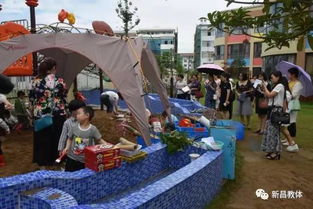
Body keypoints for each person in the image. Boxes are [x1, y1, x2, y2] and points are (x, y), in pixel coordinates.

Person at [62, 106, 137, 171]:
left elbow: (100, 140)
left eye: (78, 114)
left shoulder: (92, 129)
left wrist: (109, 146)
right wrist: (66, 147)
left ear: (87, 115)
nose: (76, 115)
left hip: (85, 159)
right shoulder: (74, 127)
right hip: (72, 158)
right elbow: (69, 138)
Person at [29, 57, 68, 168]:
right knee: (58, 138)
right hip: (57, 113)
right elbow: (64, 97)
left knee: (42, 139)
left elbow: (31, 98)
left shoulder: (35, 80)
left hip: (41, 114)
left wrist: (34, 112)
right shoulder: (59, 81)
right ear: (53, 68)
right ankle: (58, 161)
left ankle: (42, 164)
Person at [261, 71, 285, 160]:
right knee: (270, 131)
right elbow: (268, 96)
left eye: (272, 77)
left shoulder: (280, 86)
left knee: (274, 132)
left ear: (278, 77)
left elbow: (270, 95)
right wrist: (264, 89)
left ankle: (275, 152)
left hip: (276, 111)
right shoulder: (276, 86)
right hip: (272, 110)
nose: (271, 79)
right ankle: (271, 150)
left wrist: (265, 88)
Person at [282, 67, 303, 152]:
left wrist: (287, 92)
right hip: (288, 103)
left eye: (289, 73)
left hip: (293, 104)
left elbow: (294, 95)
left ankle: (291, 139)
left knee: (292, 121)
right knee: (287, 120)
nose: (288, 75)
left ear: (293, 74)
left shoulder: (298, 84)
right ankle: (287, 138)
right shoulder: (289, 81)